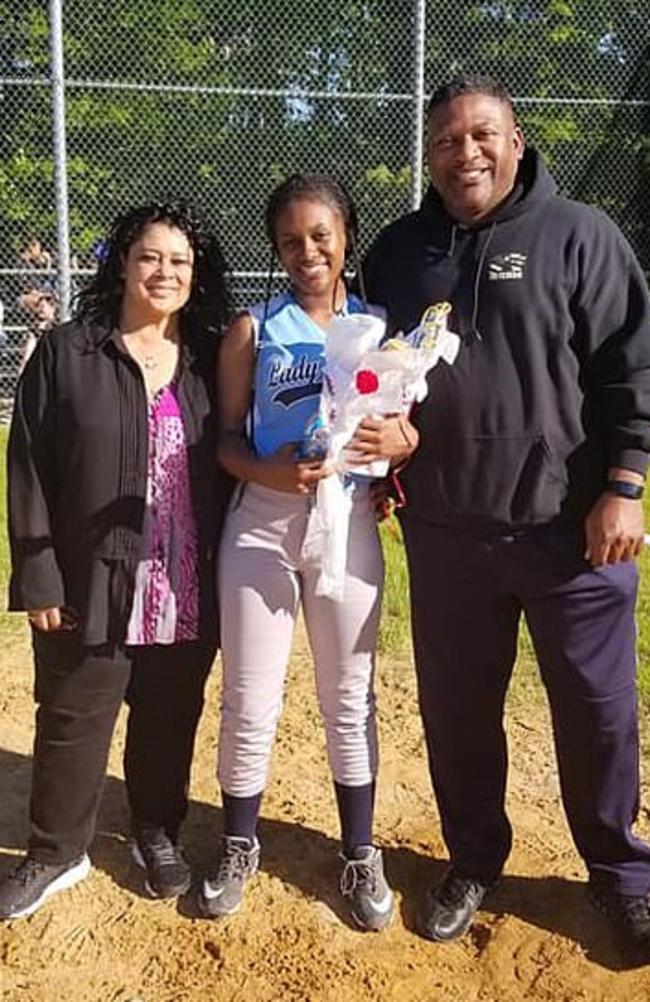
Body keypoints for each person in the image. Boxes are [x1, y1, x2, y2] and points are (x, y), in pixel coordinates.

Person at [363, 73, 650, 949]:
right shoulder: (398, 253)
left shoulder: (581, 236)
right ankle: (474, 859)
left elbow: (631, 368)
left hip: (572, 534)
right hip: (446, 533)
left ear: (517, 142)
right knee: (458, 714)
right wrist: (378, 448)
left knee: (598, 712)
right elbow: (370, 376)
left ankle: (621, 873)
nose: (465, 153)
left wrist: (626, 485)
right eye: (447, 140)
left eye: (482, 134)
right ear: (429, 155)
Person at [198, 174, 418, 931]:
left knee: (348, 697)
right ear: (277, 249)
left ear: (346, 235)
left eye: (320, 235)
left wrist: (404, 444)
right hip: (263, 519)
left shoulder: (385, 330)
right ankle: (237, 843)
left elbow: (399, 433)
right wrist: (267, 470)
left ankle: (359, 850)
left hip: (348, 521)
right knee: (250, 697)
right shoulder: (252, 330)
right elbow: (225, 440)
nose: (307, 251)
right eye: (290, 240)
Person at [0, 201, 232, 920]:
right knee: (72, 715)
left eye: (180, 261)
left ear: (196, 276)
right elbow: (28, 466)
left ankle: (155, 831)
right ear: (124, 264)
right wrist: (38, 573)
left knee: (169, 716)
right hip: (88, 578)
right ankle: (55, 850)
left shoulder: (209, 358)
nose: (165, 272)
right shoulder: (71, 351)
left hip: (184, 585)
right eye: (151, 257)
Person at [18, 288, 58, 375]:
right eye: (39, 306)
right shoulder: (34, 327)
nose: (41, 308)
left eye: (44, 305)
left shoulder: (58, 325)